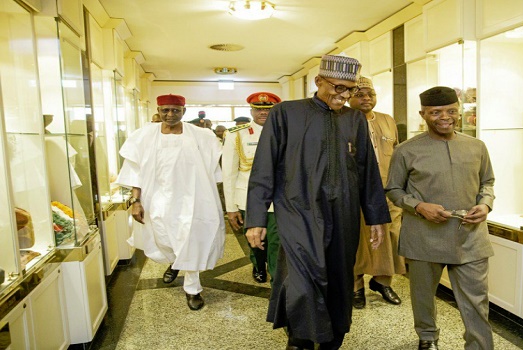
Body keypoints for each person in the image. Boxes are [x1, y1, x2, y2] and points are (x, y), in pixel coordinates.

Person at [245, 55, 390, 350]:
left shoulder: (354, 119)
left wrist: (375, 217)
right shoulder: (286, 113)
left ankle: (333, 338)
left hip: (344, 212)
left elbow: (367, 170)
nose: (344, 95)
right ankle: (299, 338)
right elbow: (264, 167)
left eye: (350, 90)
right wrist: (257, 218)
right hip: (297, 209)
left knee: (338, 275)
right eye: (338, 87)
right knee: (300, 277)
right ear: (319, 81)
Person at [385, 86, 496, 350]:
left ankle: (479, 346)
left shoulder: (476, 146)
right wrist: (419, 206)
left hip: (470, 236)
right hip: (424, 237)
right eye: (435, 112)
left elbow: (488, 182)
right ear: (422, 114)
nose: (444, 117)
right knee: (423, 295)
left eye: (451, 111)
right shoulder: (407, 150)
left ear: (458, 111)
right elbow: (393, 189)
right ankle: (427, 337)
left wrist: (486, 204)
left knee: (476, 301)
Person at [115, 94, 226, 311]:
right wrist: (136, 201)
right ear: (158, 110)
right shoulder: (144, 136)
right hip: (157, 199)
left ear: (184, 112)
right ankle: (176, 262)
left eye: (175, 110)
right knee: (163, 238)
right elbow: (134, 171)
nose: (170, 114)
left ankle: (193, 288)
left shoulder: (201, 136)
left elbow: (213, 169)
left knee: (191, 240)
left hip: (193, 199)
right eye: (165, 110)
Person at [348, 76, 406, 309]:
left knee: (391, 237)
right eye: (359, 94)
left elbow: (398, 154)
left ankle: (383, 282)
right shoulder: (343, 120)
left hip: (386, 192)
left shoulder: (387, 120)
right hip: (355, 193)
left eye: (370, 94)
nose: (366, 99)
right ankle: (355, 286)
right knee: (358, 240)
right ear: (350, 97)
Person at [222, 92, 281, 283]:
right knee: (255, 240)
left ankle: (275, 274)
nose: (263, 113)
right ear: (251, 111)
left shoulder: (284, 131)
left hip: (278, 199)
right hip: (248, 199)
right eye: (258, 109)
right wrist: (231, 208)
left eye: (267, 109)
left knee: (276, 240)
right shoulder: (236, 135)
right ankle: (258, 265)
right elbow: (229, 174)